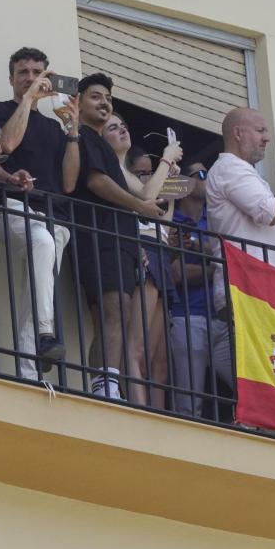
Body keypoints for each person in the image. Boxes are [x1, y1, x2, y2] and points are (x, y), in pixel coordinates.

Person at [65, 74, 165, 403]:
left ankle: (107, 382)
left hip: (118, 239)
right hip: (99, 236)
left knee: (116, 313)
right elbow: (96, 183)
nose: (105, 102)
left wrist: (136, 245)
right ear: (78, 102)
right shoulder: (89, 141)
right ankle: (105, 385)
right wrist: (141, 207)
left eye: (108, 97)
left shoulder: (99, 143)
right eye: (96, 97)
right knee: (113, 309)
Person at [0, 48, 76, 373]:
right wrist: (28, 100)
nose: (31, 78)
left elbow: (69, 180)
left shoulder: (53, 128)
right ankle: (45, 334)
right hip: (12, 206)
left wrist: (74, 131)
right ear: (11, 78)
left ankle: (29, 373)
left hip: (55, 216)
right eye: (24, 72)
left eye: (38, 72)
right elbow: (6, 145)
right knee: (42, 246)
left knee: (35, 293)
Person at [109, 117, 183, 409]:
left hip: (158, 250)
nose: (146, 177)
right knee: (136, 347)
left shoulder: (140, 182)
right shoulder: (117, 173)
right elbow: (145, 196)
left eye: (148, 173)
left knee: (158, 359)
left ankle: (157, 417)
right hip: (144, 250)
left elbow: (163, 222)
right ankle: (141, 412)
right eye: (141, 173)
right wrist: (165, 162)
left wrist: (171, 187)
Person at [166, 160, 233, 419]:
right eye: (202, 174)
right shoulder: (172, 218)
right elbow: (177, 273)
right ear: (184, 181)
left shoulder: (215, 219)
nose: (209, 178)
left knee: (246, 388)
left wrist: (193, 245)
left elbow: (227, 252)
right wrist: (217, 269)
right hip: (188, 317)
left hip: (221, 319)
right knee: (189, 402)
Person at [206, 107, 275, 271]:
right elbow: (268, 212)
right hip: (246, 286)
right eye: (260, 131)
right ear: (238, 134)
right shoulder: (229, 167)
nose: (267, 138)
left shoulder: (238, 170)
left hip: (259, 284)